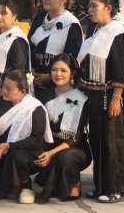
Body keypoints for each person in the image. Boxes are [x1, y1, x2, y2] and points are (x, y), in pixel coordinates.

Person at [77, 0, 124, 203]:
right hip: (92, 94)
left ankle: (116, 189)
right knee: (97, 141)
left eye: (94, 6)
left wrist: (117, 97)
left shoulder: (117, 32)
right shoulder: (94, 30)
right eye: (89, 6)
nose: (90, 10)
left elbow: (120, 67)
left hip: (109, 94)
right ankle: (101, 186)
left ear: (108, 8)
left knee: (112, 143)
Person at [0, 69, 52, 203]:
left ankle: (26, 186)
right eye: (3, 86)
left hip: (29, 152)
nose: (4, 91)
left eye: (9, 89)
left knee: (16, 155)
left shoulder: (35, 108)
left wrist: (9, 146)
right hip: (2, 150)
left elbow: (36, 140)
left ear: (23, 92)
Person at [35, 54, 92, 202]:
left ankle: (74, 183)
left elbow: (77, 137)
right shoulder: (44, 95)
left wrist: (51, 153)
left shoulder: (81, 99)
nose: (58, 74)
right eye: (54, 70)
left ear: (72, 74)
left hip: (74, 148)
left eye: (63, 70)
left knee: (64, 156)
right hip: (50, 143)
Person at [29, 0, 84, 93]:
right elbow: (29, 46)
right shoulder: (39, 18)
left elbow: (72, 56)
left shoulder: (71, 23)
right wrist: (31, 71)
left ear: (63, 0)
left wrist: (50, 76)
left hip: (59, 84)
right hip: (35, 81)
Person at [0, 0, 30, 97]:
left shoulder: (18, 39)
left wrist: (3, 89)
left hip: (6, 90)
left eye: (3, 13)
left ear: (14, 16)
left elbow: (17, 69)